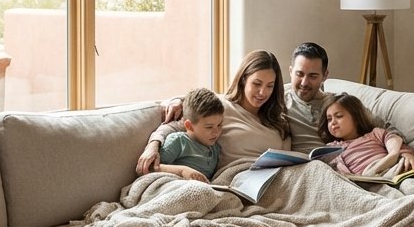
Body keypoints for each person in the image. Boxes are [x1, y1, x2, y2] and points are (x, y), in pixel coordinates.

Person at [136, 50, 292, 174]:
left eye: (270, 86)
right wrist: (152, 147)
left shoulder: (278, 119)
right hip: (236, 177)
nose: (262, 92)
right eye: (257, 83)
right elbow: (174, 126)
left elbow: (289, 159)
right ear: (244, 79)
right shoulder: (220, 107)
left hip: (275, 177)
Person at [318, 94, 414, 174]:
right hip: (367, 182)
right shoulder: (331, 148)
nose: (333, 122)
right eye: (329, 119)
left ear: (356, 118)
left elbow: (395, 141)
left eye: (339, 116)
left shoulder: (375, 134)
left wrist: (406, 155)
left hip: (391, 170)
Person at [151, 88, 224, 183]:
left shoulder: (215, 149)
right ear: (189, 126)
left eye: (219, 125)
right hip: (175, 185)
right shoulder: (179, 141)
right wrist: (183, 171)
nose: (216, 132)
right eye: (209, 127)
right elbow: (152, 168)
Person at [284, 42, 334, 153]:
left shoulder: (336, 103)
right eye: (299, 74)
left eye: (313, 76)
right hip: (299, 165)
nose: (304, 83)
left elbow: (373, 130)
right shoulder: (278, 102)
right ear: (291, 71)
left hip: (339, 163)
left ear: (325, 76)